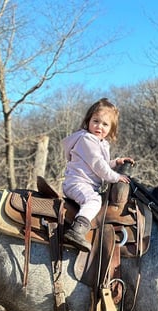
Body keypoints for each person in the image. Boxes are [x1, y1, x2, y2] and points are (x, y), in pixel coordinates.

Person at [61, 98, 134, 252]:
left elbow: (103, 163)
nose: (99, 126)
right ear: (88, 121)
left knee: (97, 199)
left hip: (87, 184)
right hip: (77, 183)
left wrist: (117, 162)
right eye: (96, 121)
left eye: (105, 124)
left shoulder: (100, 143)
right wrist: (115, 177)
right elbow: (98, 165)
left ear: (111, 129)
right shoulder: (86, 139)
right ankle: (77, 230)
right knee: (94, 201)